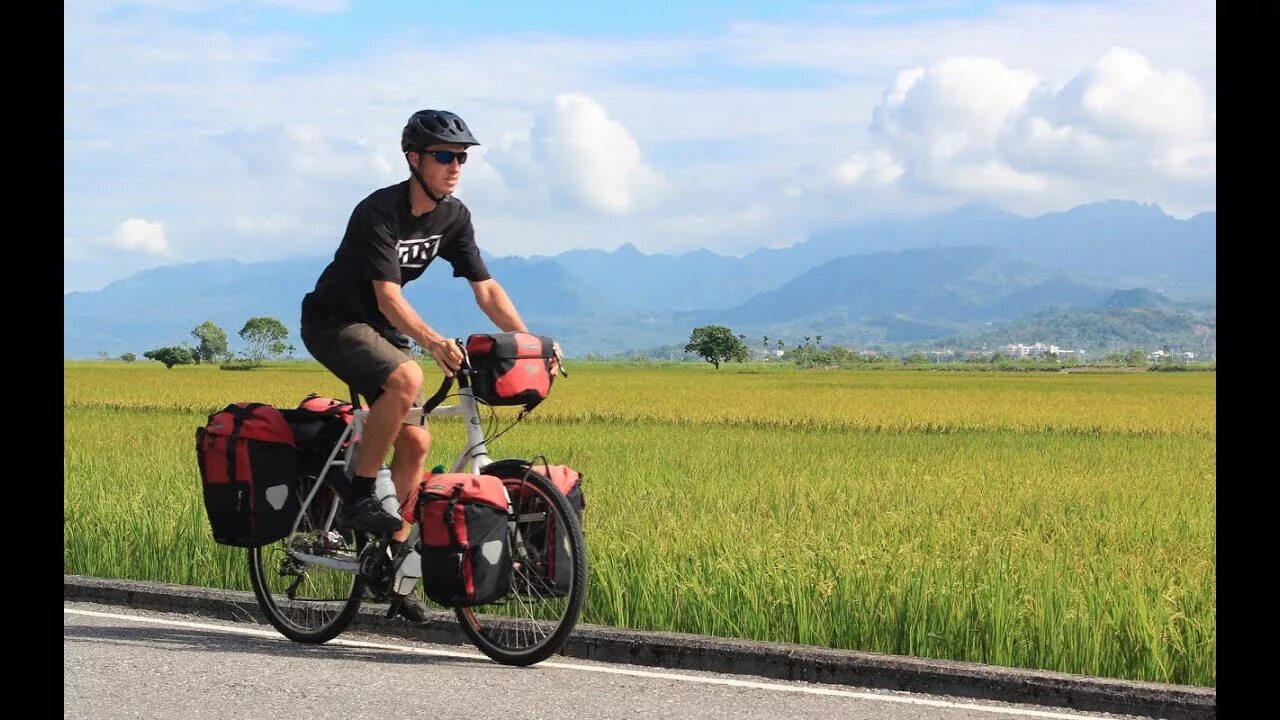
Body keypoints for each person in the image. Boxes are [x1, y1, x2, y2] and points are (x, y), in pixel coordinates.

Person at [300, 109, 557, 622]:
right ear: (414, 159)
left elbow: (484, 287)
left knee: (417, 441)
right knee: (407, 375)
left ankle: (393, 566)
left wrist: (528, 340)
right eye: (444, 155)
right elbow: (388, 296)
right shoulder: (379, 211)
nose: (455, 165)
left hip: (384, 331)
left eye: (461, 157)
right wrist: (434, 341)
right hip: (336, 323)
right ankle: (357, 492)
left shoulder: (453, 217)